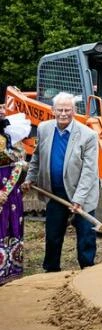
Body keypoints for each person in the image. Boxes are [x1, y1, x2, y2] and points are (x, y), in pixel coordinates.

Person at [21, 93, 99, 272]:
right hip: (55, 193)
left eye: (68, 110)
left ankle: (88, 270)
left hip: (82, 193)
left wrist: (78, 199)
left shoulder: (88, 135)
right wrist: (30, 178)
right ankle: (51, 270)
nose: (64, 113)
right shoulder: (44, 128)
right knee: (53, 235)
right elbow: (37, 157)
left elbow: (89, 172)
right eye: (60, 110)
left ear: (74, 111)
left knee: (86, 236)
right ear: (53, 111)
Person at [0, 110, 30, 284]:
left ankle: (10, 271)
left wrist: (6, 190)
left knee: (10, 225)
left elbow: (19, 164)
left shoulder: (11, 135)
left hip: (10, 192)